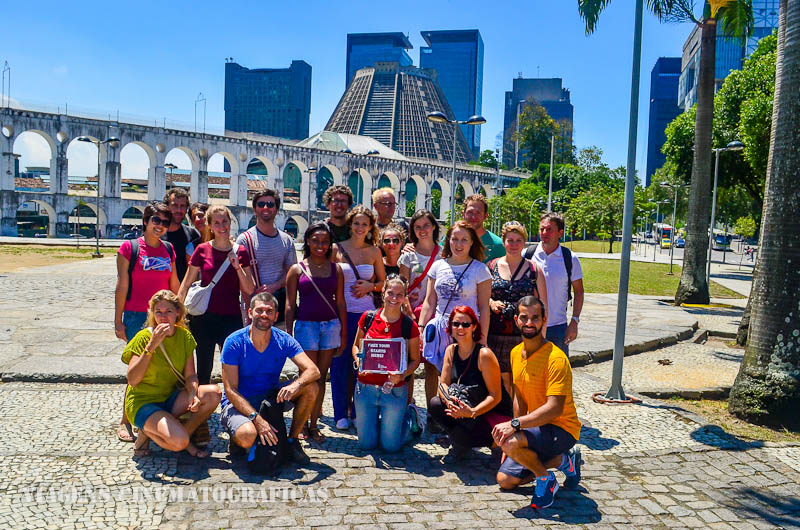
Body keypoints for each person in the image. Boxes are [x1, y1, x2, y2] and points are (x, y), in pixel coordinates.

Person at [492, 296, 582, 510]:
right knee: (505, 481)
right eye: (524, 317)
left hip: (562, 428)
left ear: (544, 320)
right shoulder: (515, 353)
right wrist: (514, 427)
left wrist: (514, 429)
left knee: (510, 442)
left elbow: (554, 409)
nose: (529, 323)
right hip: (538, 428)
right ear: (516, 320)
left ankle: (546, 479)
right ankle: (562, 461)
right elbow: (519, 397)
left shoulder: (556, 359)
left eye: (535, 318)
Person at [220, 292, 321, 464]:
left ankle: (292, 441)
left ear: (276, 316)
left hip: (269, 398)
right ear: (250, 312)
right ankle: (238, 437)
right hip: (239, 402)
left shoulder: (283, 340)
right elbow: (230, 390)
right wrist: (257, 420)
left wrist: (296, 385)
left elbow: (313, 370)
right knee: (247, 436)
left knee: (311, 387)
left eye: (269, 311)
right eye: (259, 310)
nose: (264, 315)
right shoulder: (234, 341)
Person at [123, 290, 222, 458]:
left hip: (169, 398)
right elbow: (132, 380)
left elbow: (190, 375)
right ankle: (149, 434)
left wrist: (192, 394)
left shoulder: (184, 336)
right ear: (152, 314)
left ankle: (172, 432)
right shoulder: (143, 338)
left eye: (168, 311)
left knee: (213, 393)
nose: (163, 317)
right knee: (179, 442)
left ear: (177, 313)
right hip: (143, 402)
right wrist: (152, 346)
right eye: (158, 312)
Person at [114, 202, 180, 443]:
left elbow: (174, 284)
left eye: (165, 222)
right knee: (137, 371)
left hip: (164, 314)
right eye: (156, 221)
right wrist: (118, 320)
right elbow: (122, 285)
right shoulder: (129, 248)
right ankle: (125, 421)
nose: (160, 226)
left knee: (161, 368)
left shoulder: (169, 249)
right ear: (146, 221)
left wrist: (179, 315)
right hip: (136, 316)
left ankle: (156, 418)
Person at [418, 220, 491, 431]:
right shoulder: (438, 266)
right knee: (433, 371)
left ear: (471, 243)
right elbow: (429, 301)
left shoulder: (480, 270)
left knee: (461, 375)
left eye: (464, 240)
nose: (459, 244)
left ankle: (458, 419)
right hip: (440, 327)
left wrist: (483, 338)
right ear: (448, 241)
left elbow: (484, 307)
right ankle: (435, 414)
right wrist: (422, 328)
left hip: (466, 330)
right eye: (455, 239)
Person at [178, 205, 255, 385]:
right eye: (217, 223)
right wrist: (178, 310)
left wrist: (237, 267)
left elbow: (249, 288)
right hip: (204, 317)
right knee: (204, 367)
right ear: (210, 226)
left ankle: (232, 405)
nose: (222, 226)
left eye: (225, 222)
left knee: (233, 364)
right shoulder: (202, 250)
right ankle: (203, 407)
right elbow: (187, 283)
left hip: (231, 316)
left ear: (230, 223)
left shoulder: (240, 251)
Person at [285, 222, 347, 443]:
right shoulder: (297, 269)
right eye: (315, 240)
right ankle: (300, 424)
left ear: (329, 244)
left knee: (320, 378)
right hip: (306, 326)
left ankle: (313, 425)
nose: (320, 245)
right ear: (308, 242)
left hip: (330, 326)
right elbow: (290, 305)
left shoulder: (336, 269)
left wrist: (344, 333)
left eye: (324, 241)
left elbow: (340, 303)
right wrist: (289, 334)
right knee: (307, 378)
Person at [329, 206, 386, 430]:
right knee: (339, 363)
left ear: (370, 227)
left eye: (365, 224)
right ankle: (339, 412)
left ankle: (356, 409)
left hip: (366, 315)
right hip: (341, 313)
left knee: (360, 364)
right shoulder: (337, 249)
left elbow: (384, 284)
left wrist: (371, 286)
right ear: (350, 225)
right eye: (356, 223)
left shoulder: (374, 252)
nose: (360, 228)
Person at [352, 275, 424, 452]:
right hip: (365, 389)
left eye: (400, 295)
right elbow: (355, 346)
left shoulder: (409, 325)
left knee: (390, 447)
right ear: (383, 293)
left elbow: (415, 360)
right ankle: (381, 426)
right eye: (390, 293)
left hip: (394, 390)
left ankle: (410, 417)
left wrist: (402, 374)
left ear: (404, 297)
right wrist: (359, 361)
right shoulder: (367, 318)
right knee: (366, 445)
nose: (394, 298)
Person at [428, 306, 510, 459]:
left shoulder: (484, 354)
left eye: (466, 324)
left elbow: (495, 396)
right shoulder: (451, 350)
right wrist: (448, 401)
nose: (460, 328)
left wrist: (472, 413)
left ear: (474, 327)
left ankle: (492, 443)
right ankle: (462, 442)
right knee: (435, 404)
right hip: (464, 407)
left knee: (460, 434)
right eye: (456, 324)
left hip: (488, 412)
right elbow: (443, 384)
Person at [488, 222, 548, 396]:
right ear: (504, 242)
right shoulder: (491, 267)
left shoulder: (534, 270)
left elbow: (543, 306)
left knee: (522, 379)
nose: (514, 245)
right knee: (500, 380)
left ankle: (521, 417)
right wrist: (492, 302)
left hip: (524, 334)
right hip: (496, 333)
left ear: (524, 242)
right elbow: (482, 297)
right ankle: (506, 416)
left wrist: (541, 339)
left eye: (518, 240)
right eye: (510, 240)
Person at [523, 213, 584, 355]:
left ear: (560, 233)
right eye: (542, 229)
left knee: (558, 373)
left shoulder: (570, 258)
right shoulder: (527, 255)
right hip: (530, 326)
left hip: (558, 327)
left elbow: (579, 291)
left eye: (549, 229)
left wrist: (574, 322)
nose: (544, 233)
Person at [236, 189, 297, 323]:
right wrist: (250, 308)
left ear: (276, 209)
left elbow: (292, 273)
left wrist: (275, 286)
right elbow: (241, 278)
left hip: (279, 305)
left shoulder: (286, 240)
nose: (265, 207)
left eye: (270, 204)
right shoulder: (244, 240)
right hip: (254, 308)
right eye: (261, 204)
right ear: (254, 209)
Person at [398, 210, 441, 317]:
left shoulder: (444, 255)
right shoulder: (408, 255)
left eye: (426, 225)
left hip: (436, 313)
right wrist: (410, 316)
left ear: (434, 227)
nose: (422, 230)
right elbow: (402, 289)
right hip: (412, 312)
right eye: (418, 227)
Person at [163, 187, 201, 282]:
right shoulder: (157, 235)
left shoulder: (194, 235)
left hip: (185, 293)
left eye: (182, 206)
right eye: (174, 205)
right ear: (167, 207)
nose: (179, 210)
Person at [462, 194, 504, 263]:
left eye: (478, 213)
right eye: (470, 212)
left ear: (485, 216)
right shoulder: (451, 239)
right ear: (463, 213)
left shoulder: (498, 245)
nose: (473, 217)